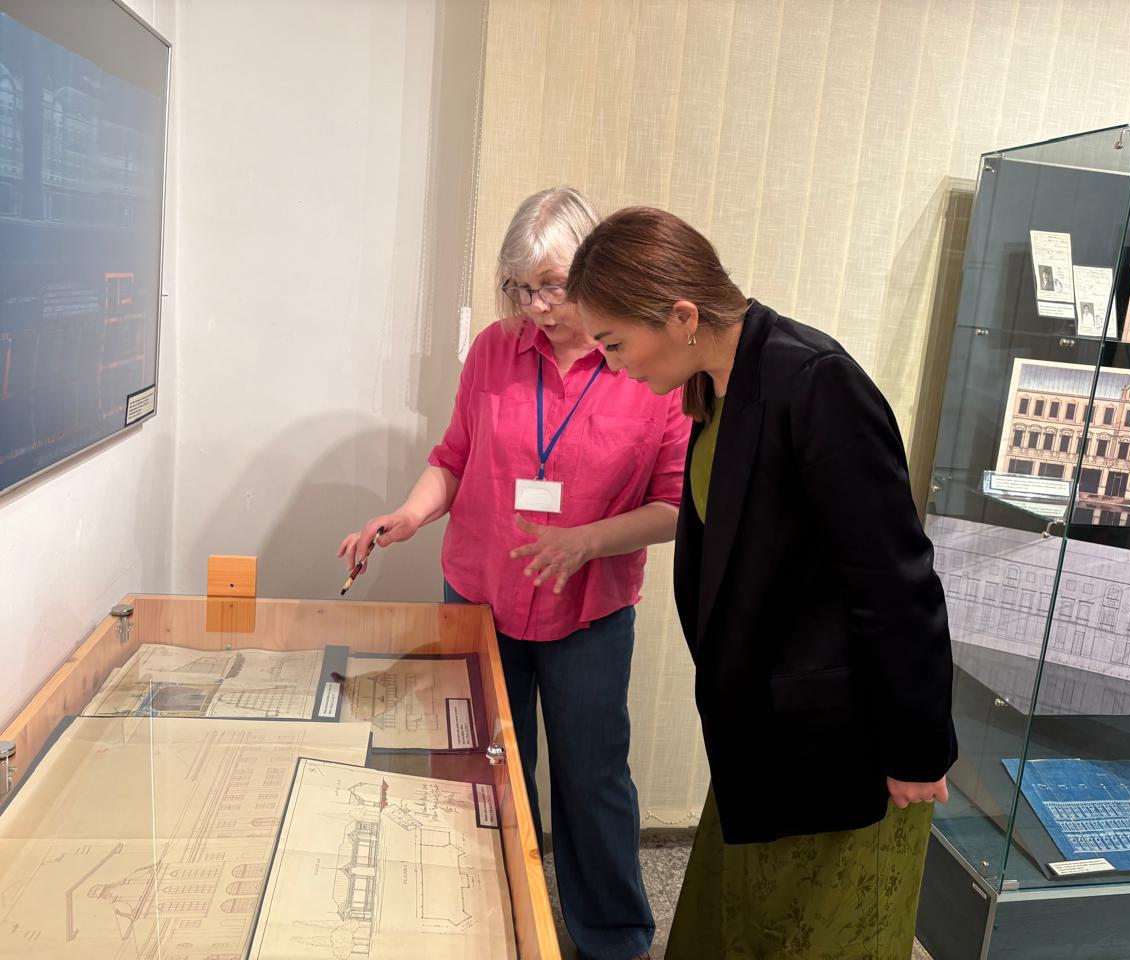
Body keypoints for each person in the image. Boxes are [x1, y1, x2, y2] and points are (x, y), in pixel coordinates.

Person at [567, 207, 957, 959]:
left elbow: (896, 582)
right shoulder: (717, 387)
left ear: (682, 316)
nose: (614, 367)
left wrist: (918, 750)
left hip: (841, 744)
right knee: (736, 925)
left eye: (615, 344)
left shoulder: (816, 383)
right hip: (766, 733)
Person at [339, 188, 689, 960]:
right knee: (487, 767)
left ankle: (614, 938)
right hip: (481, 596)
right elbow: (453, 459)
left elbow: (675, 506)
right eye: (520, 287)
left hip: (587, 610)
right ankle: (493, 923)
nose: (536, 307)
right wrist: (409, 515)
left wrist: (586, 542)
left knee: (592, 777)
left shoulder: (644, 361)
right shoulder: (495, 351)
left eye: (553, 286)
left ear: (594, 269)